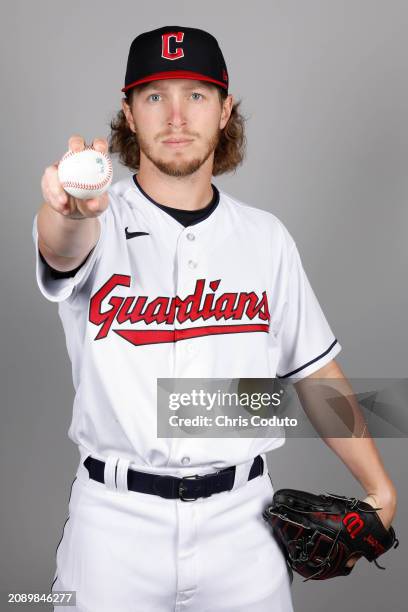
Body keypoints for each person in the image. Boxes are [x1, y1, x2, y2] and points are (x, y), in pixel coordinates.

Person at [32, 25, 396, 612]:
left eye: (196, 95)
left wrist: (380, 489)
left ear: (225, 111)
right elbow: (61, 245)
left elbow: (316, 374)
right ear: (128, 114)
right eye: (154, 96)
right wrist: (69, 211)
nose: (176, 116)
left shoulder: (266, 238)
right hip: (113, 528)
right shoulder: (96, 222)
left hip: (243, 528)